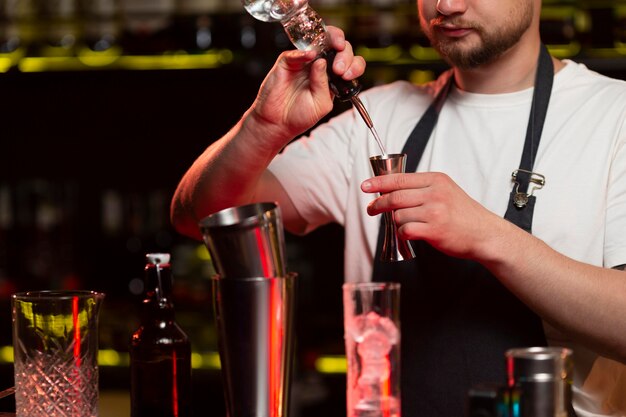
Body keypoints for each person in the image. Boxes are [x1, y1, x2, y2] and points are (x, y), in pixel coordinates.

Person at [171, 0, 626, 415]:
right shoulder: (382, 115)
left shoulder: (612, 117)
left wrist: (490, 237)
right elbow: (199, 217)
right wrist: (263, 127)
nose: (447, 5)